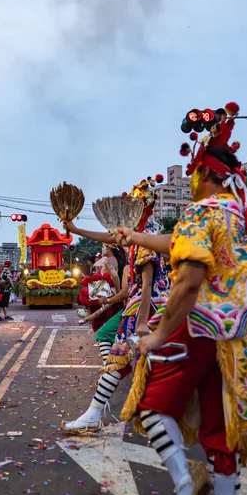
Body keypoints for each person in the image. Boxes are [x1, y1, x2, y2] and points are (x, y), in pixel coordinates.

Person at [117, 105, 247, 495]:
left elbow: (187, 283)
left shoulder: (201, 212)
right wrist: (135, 236)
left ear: (203, 175)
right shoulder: (244, 217)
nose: (189, 183)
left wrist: (157, 335)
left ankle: (185, 481)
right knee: (223, 433)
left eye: (192, 176)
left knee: (150, 404)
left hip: (200, 328)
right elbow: (176, 243)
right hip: (241, 338)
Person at [63, 175, 170, 433]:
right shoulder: (138, 234)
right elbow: (111, 238)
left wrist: (142, 320)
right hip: (142, 308)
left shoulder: (147, 237)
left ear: (144, 208)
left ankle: (98, 413)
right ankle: (95, 413)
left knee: (126, 360)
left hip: (147, 309)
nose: (126, 213)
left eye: (132, 207)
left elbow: (147, 283)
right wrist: (75, 230)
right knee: (122, 360)